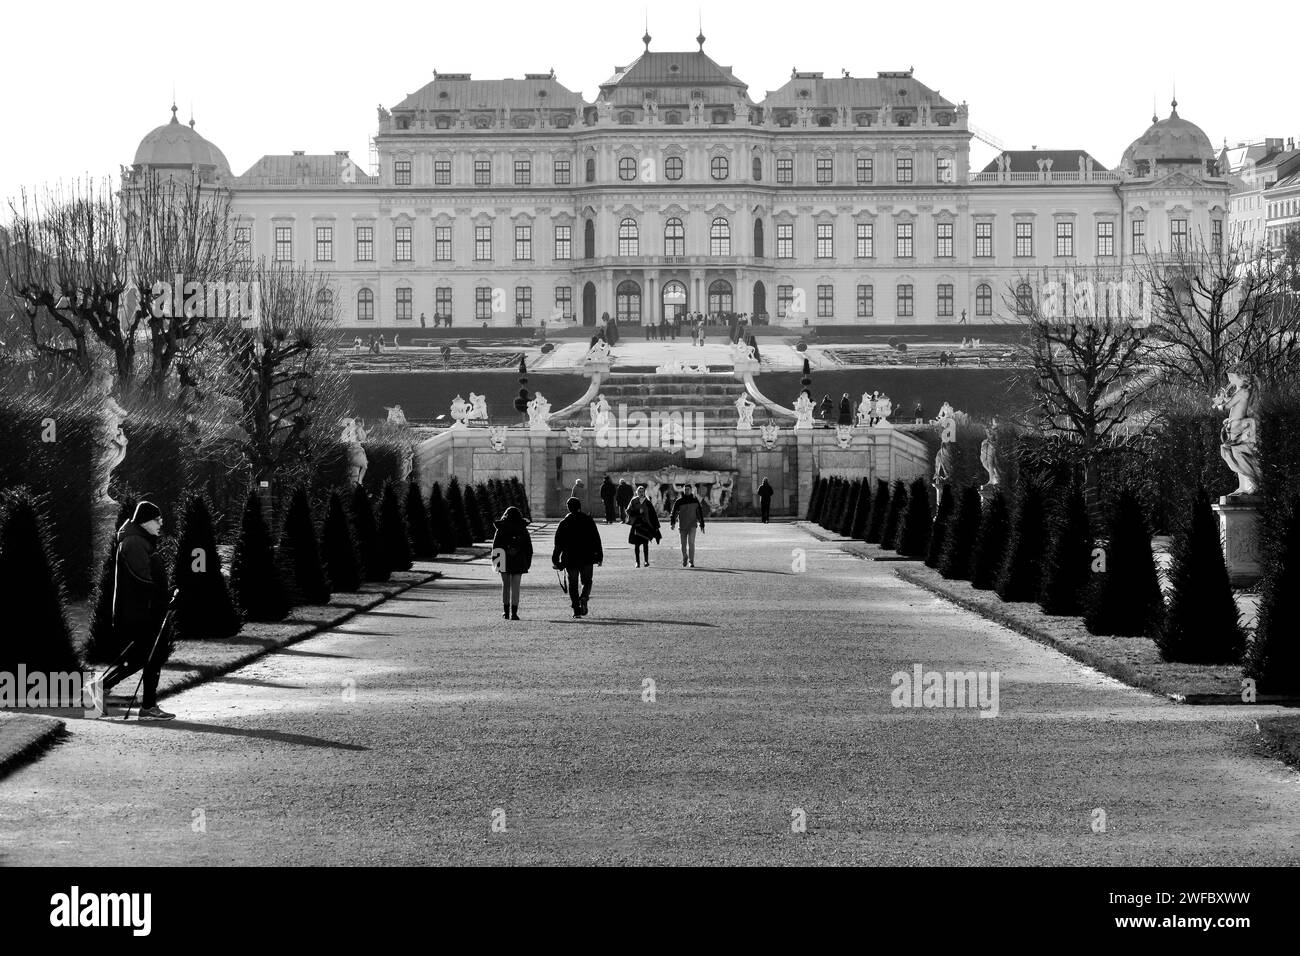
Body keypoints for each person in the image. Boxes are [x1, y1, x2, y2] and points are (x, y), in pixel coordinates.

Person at [87, 501, 175, 720]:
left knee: (145, 656)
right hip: (139, 611)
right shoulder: (135, 541)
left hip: (142, 609)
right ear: (145, 521)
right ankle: (144, 705)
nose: (161, 523)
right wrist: (162, 598)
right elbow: (141, 578)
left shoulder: (140, 539)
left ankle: (141, 703)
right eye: (157, 519)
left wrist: (165, 594)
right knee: (150, 655)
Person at [552, 497, 603, 618]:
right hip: (587, 556)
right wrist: (599, 556)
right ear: (580, 506)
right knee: (587, 581)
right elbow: (596, 539)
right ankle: (584, 597)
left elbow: (558, 544)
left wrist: (555, 560)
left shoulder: (564, 523)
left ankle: (576, 610)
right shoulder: (588, 520)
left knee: (573, 584)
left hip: (570, 558)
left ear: (568, 508)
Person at [491, 506, 533, 620]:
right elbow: (529, 548)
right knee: (516, 587)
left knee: (506, 586)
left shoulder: (501, 528)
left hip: (503, 559)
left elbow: (496, 547)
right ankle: (514, 613)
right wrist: (527, 563)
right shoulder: (523, 528)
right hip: (519, 559)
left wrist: (496, 563)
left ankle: (506, 612)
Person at [670, 484, 706, 568]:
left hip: (692, 525)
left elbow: (699, 513)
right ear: (683, 490)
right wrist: (673, 523)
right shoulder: (679, 501)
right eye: (685, 489)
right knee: (683, 545)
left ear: (691, 490)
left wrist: (702, 524)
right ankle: (685, 557)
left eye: (688, 489)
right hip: (682, 526)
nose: (686, 491)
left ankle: (691, 561)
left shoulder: (695, 500)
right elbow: (674, 512)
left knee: (691, 543)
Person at [626, 485, 661, 567]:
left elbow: (653, 515)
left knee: (645, 543)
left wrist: (656, 527)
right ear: (637, 492)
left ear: (644, 492)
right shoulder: (634, 501)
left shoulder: (648, 502)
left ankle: (646, 561)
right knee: (637, 544)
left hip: (646, 525)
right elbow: (628, 511)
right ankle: (637, 562)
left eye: (642, 492)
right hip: (637, 524)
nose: (641, 493)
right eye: (639, 492)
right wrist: (637, 512)